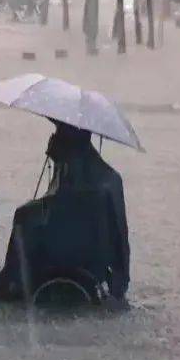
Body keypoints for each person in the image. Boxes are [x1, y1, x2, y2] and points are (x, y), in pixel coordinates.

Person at [45, 123, 131, 301]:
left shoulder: (78, 172)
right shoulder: (109, 177)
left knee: (22, 219)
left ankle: (13, 282)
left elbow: (58, 210)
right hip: (99, 259)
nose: (52, 138)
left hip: (77, 252)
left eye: (57, 133)